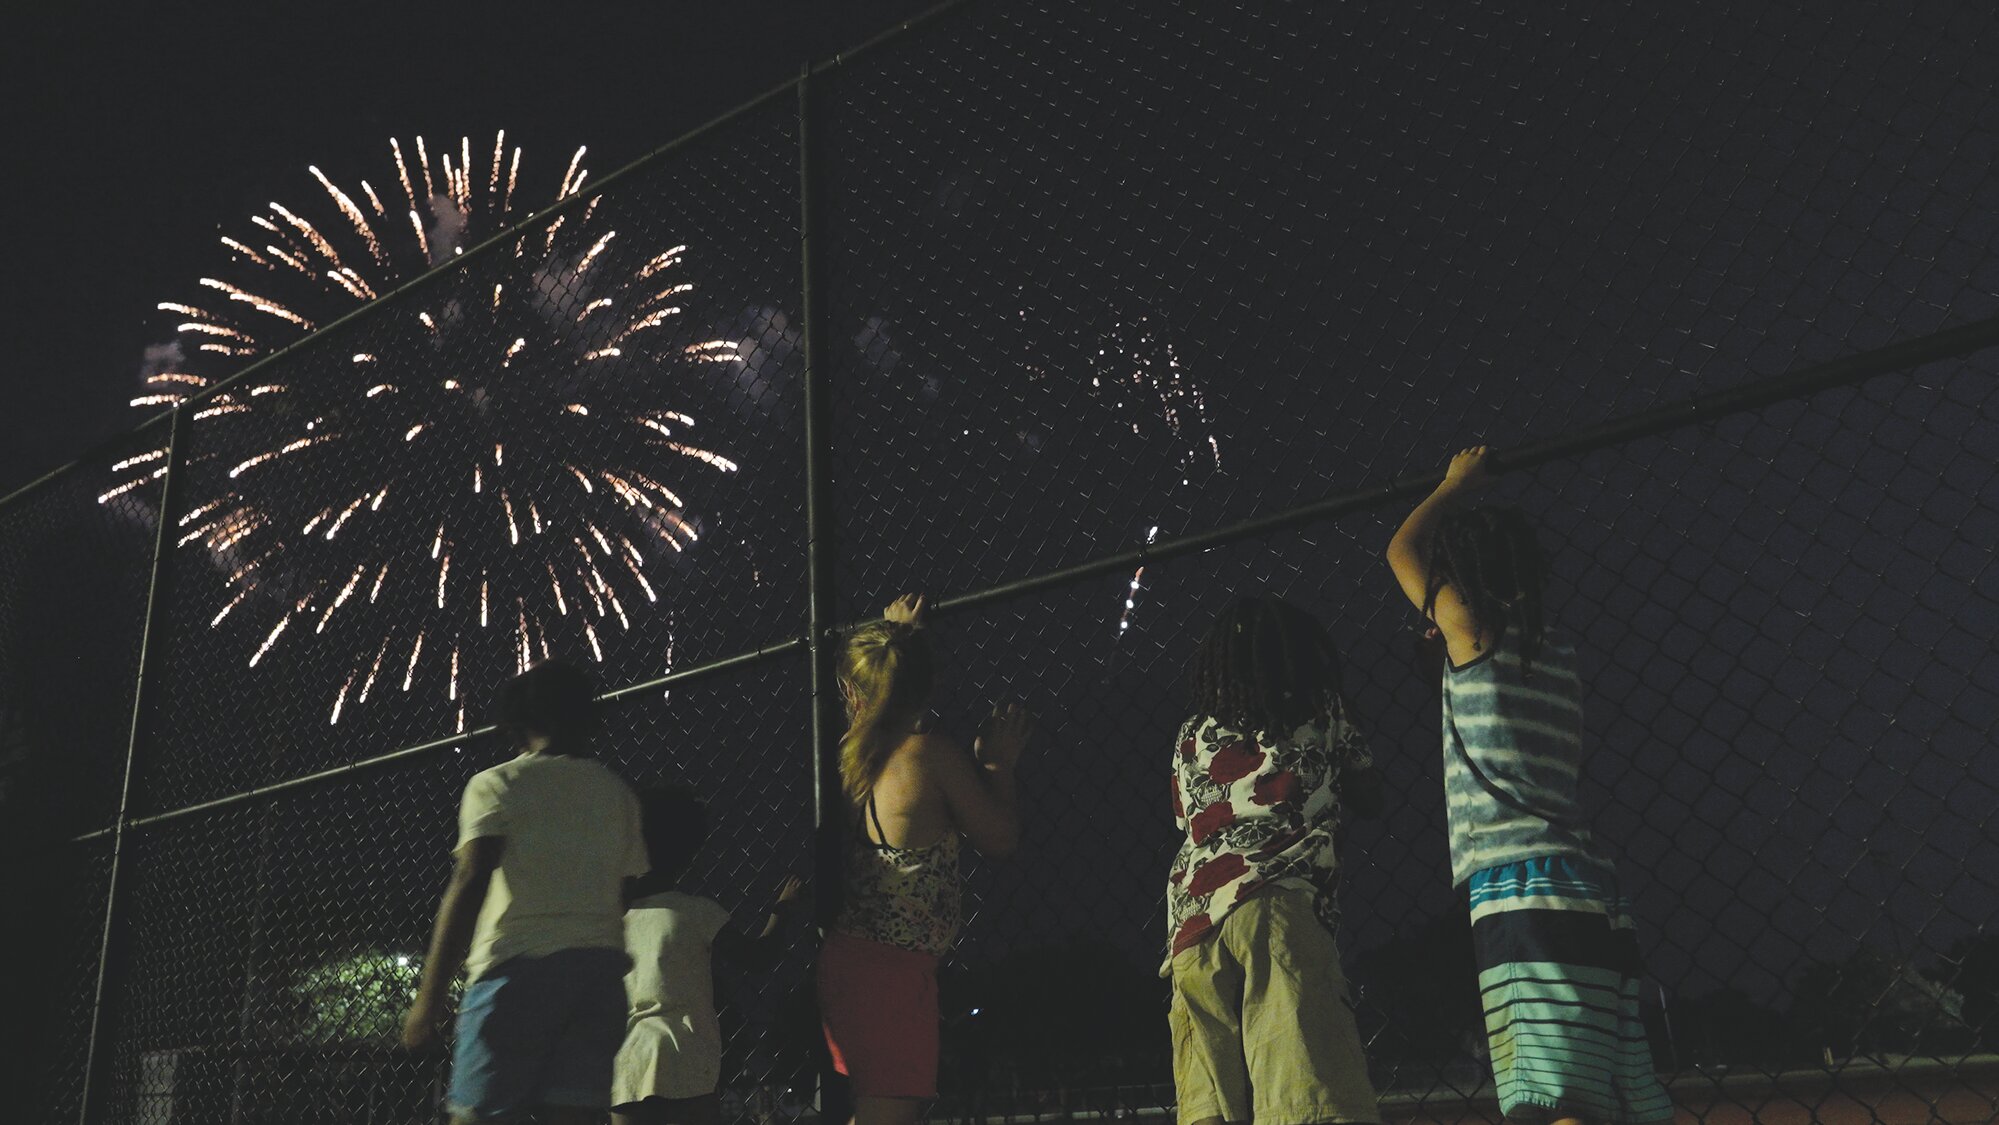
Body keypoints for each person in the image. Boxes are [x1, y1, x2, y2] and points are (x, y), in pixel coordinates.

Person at [1386, 446, 1674, 1125]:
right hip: (1588, 886)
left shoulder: (1474, 635)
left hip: (1521, 887)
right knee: (1599, 1087)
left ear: (1459, 584)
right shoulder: (1554, 654)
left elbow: (1401, 548)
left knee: (1550, 1099)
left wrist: (1451, 485)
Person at [1163, 594, 1386, 1125]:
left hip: (1193, 922)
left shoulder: (1192, 733)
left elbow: (1185, 817)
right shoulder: (1320, 708)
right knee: (1302, 1092)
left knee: (1211, 1102)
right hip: (1276, 900)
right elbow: (1370, 796)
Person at [402, 659, 650, 1125]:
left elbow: (470, 880)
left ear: (515, 722)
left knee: (479, 1116)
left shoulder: (497, 784)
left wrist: (428, 1000)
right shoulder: (619, 794)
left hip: (516, 973)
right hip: (598, 975)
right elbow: (624, 889)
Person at [816, 594, 1030, 1125]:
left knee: (875, 1109)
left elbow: (890, 687)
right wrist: (998, 767)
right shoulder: (929, 757)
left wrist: (899, 641)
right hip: (892, 973)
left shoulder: (852, 759)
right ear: (929, 687)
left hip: (856, 962)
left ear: (852, 693)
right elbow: (1000, 838)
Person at [613, 786, 805, 1125]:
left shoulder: (613, 921)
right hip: (685, 1053)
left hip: (628, 1057)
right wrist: (783, 910)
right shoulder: (696, 912)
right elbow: (759, 958)